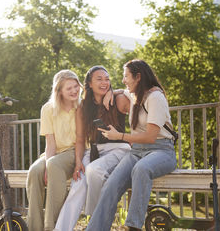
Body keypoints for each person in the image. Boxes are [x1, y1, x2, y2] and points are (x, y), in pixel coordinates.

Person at [86, 59, 177, 231]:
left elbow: (151, 137)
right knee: (111, 185)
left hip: (162, 151)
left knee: (141, 169)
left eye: (126, 76)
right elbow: (122, 91)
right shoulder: (135, 94)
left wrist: (119, 135)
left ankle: (133, 226)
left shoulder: (155, 97)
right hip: (137, 152)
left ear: (138, 77)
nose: (123, 80)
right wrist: (111, 92)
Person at [54, 65, 131, 231]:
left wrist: (115, 91)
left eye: (107, 79)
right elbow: (80, 139)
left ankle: (95, 220)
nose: (104, 82)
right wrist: (77, 163)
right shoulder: (83, 108)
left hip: (119, 150)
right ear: (89, 83)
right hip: (95, 151)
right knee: (78, 182)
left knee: (94, 171)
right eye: (99, 79)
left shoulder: (118, 100)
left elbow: (136, 96)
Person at [26, 69, 82, 231]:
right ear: (59, 91)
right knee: (34, 171)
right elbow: (50, 143)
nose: (74, 91)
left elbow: (80, 141)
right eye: (68, 88)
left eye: (75, 86)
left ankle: (51, 227)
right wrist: (46, 166)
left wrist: (51, 166)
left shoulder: (82, 106)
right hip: (54, 153)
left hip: (74, 152)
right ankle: (35, 227)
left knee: (54, 166)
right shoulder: (48, 109)